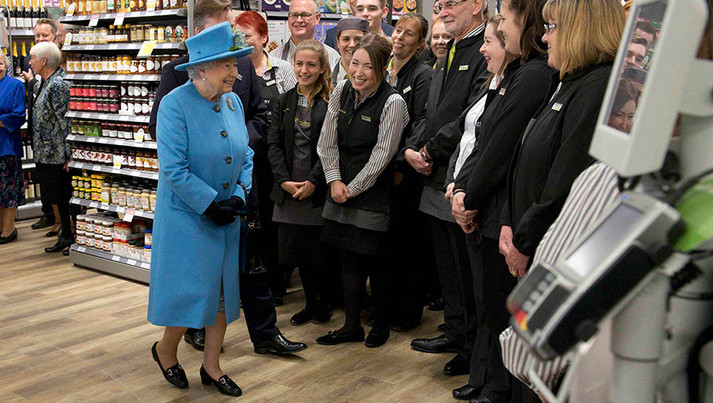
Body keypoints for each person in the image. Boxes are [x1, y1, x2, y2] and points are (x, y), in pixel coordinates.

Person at [149, 0, 306, 357]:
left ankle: (258, 337)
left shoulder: (238, 79)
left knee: (246, 270)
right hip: (194, 203)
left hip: (237, 193)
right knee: (197, 283)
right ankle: (183, 340)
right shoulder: (175, 82)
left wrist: (236, 173)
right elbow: (167, 148)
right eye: (221, 29)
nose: (235, 68)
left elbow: (256, 123)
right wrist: (210, 193)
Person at [496, 0, 624, 400]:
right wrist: (510, 221)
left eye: (552, 27)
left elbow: (565, 183)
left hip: (552, 252)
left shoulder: (597, 87)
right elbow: (525, 159)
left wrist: (526, 239)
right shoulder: (567, 81)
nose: (545, 37)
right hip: (531, 241)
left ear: (580, 30)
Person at [444, 1, 554, 397]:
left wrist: (468, 195)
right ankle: (487, 381)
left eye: (505, 20)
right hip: (485, 208)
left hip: (498, 215)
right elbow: (482, 139)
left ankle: (495, 387)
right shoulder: (520, 73)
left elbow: (501, 148)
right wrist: (461, 189)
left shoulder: (534, 75)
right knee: (487, 306)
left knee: (499, 312)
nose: (502, 30)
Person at [147, 22, 255, 397]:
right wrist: (210, 204)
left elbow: (246, 153)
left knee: (222, 295)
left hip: (226, 216)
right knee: (191, 294)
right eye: (228, 65)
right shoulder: (174, 105)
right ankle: (165, 350)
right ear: (203, 68)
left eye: (235, 64)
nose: (236, 73)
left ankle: (212, 366)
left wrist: (240, 193)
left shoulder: (233, 102)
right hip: (189, 218)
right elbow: (174, 169)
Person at [407, 0, 488, 378]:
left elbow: (471, 116)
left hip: (458, 175)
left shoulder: (485, 49)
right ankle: (455, 331)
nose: (442, 10)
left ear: (478, 4)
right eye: (439, 5)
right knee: (448, 268)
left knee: (466, 271)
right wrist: (415, 148)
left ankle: (471, 345)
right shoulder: (449, 50)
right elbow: (430, 111)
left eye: (452, 3)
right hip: (433, 173)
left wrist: (430, 149)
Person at [316, 33, 408, 348]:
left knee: (376, 262)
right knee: (348, 261)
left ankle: (380, 326)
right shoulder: (341, 90)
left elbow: (383, 156)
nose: (358, 72)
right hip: (339, 187)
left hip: (372, 194)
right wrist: (333, 180)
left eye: (368, 66)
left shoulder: (393, 102)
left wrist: (351, 189)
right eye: (355, 63)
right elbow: (326, 141)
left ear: (382, 69)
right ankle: (351, 326)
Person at [267, 40, 333, 326]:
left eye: (311, 65)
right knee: (298, 252)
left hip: (317, 187)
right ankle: (310, 304)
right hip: (289, 188)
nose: (304, 70)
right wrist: (283, 181)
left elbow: (331, 147)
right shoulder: (284, 101)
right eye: (299, 64)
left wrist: (314, 181)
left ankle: (324, 303)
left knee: (318, 252)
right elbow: (273, 144)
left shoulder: (331, 102)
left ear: (322, 68)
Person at [386, 13, 435, 332]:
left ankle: (409, 310)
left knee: (409, 244)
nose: (400, 37)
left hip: (405, 171)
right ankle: (388, 305)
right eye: (398, 30)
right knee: (389, 244)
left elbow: (421, 121)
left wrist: (403, 157)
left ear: (420, 43)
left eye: (409, 34)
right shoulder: (386, 69)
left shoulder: (423, 74)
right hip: (381, 167)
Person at [28, 42, 73, 254]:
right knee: (56, 196)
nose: (30, 63)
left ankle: (70, 236)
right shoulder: (43, 83)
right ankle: (66, 234)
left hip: (57, 153)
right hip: (45, 152)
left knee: (65, 196)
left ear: (44, 61)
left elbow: (66, 122)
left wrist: (69, 154)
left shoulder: (59, 84)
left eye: (33, 58)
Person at [22, 18, 59, 232]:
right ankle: (49, 214)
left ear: (54, 36)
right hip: (39, 134)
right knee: (44, 178)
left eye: (44, 35)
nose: (40, 39)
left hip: (54, 142)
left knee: (56, 183)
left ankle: (61, 221)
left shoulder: (57, 64)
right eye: (37, 35)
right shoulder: (34, 61)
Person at [235, 11, 297, 115]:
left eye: (247, 36)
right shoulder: (231, 70)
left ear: (264, 37)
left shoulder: (282, 68)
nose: (242, 42)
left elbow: (294, 108)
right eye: (238, 37)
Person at [0, 51, 26, 245]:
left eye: (0, 63)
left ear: (6, 65)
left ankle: (9, 229)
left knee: (7, 190)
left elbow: (19, 116)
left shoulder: (15, 85)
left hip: (7, 146)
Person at [269, 0, 340, 68]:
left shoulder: (332, 57)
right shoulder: (273, 58)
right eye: (294, 15)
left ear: (317, 18)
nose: (299, 20)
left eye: (305, 15)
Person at [323, 0, 394, 52]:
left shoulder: (393, 37)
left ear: (384, 12)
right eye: (360, 9)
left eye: (372, 9)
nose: (365, 13)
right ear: (354, 12)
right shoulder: (333, 35)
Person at [331, 17, 369, 85]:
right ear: (338, 42)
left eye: (358, 39)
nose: (352, 45)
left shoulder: (374, 78)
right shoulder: (326, 77)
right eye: (346, 39)